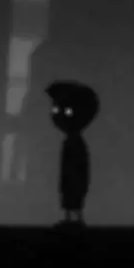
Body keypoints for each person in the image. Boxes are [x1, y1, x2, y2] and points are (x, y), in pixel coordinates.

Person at [45, 80, 100, 226]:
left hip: (74, 189)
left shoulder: (75, 144)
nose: (57, 116)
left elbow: (79, 174)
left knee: (73, 199)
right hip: (71, 188)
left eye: (67, 112)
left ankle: (74, 219)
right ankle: (72, 218)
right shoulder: (73, 143)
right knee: (70, 198)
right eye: (56, 110)